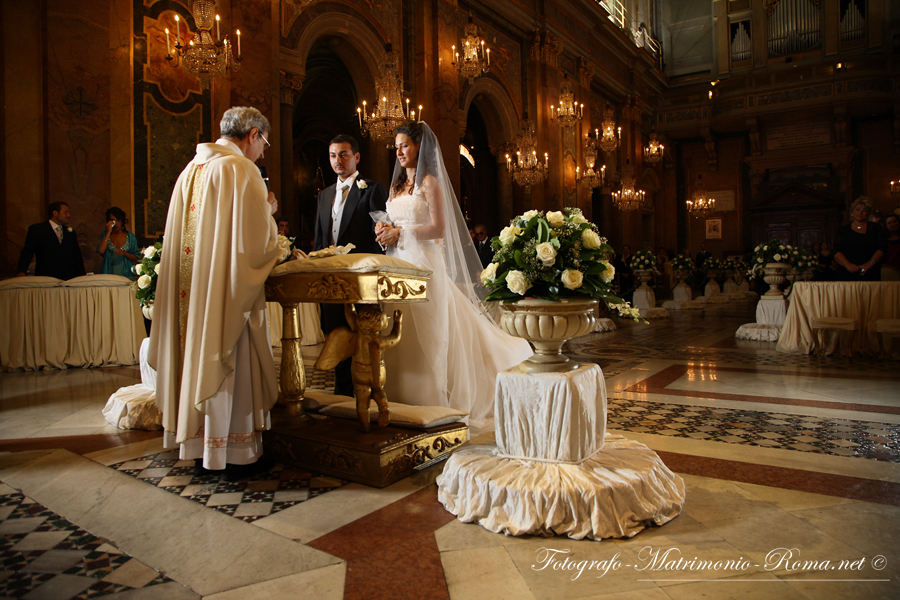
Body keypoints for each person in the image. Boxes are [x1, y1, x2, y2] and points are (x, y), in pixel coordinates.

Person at [148, 107, 281, 477]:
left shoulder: (190, 170)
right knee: (228, 360)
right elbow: (254, 246)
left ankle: (196, 444)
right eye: (264, 143)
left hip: (190, 299)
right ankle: (232, 453)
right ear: (252, 134)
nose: (263, 152)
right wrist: (269, 213)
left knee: (195, 354)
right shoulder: (240, 170)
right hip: (223, 298)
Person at [373, 121, 532, 429]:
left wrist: (400, 232)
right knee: (398, 325)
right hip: (397, 263)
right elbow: (391, 219)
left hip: (425, 262)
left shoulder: (430, 183)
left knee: (430, 327)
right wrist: (382, 228)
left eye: (404, 145)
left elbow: (438, 229)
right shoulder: (395, 188)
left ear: (419, 147)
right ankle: (400, 393)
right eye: (397, 147)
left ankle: (432, 396)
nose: (399, 152)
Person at [314, 134, 388, 396]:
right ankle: (342, 393)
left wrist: (383, 229)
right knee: (334, 333)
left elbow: (380, 232)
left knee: (362, 336)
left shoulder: (371, 189)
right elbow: (320, 239)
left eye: (344, 154)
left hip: (361, 278)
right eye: (333, 155)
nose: (338, 160)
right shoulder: (324, 196)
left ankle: (365, 391)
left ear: (356, 157)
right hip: (331, 278)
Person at [16, 202, 86, 280]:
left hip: (68, 278)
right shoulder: (38, 229)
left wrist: (81, 276)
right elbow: (27, 251)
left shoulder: (70, 232)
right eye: (65, 212)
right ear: (55, 213)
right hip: (46, 277)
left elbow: (77, 256)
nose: (69, 215)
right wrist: (21, 271)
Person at [832, 196, 887, 281]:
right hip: (847, 273)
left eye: (864, 210)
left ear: (868, 213)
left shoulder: (876, 228)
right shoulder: (843, 230)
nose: (860, 213)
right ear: (852, 211)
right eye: (857, 209)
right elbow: (836, 250)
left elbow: (882, 248)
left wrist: (869, 263)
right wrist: (847, 265)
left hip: (870, 271)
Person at [96, 207, 139, 279]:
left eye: (118, 220)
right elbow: (101, 251)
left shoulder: (130, 237)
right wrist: (109, 231)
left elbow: (137, 257)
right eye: (112, 220)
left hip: (125, 274)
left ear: (122, 220)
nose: (115, 223)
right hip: (108, 273)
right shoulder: (105, 235)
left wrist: (124, 253)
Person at [882, 213, 900, 281]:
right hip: (888, 274)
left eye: (895, 221)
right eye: (889, 223)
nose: (893, 224)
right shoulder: (883, 240)